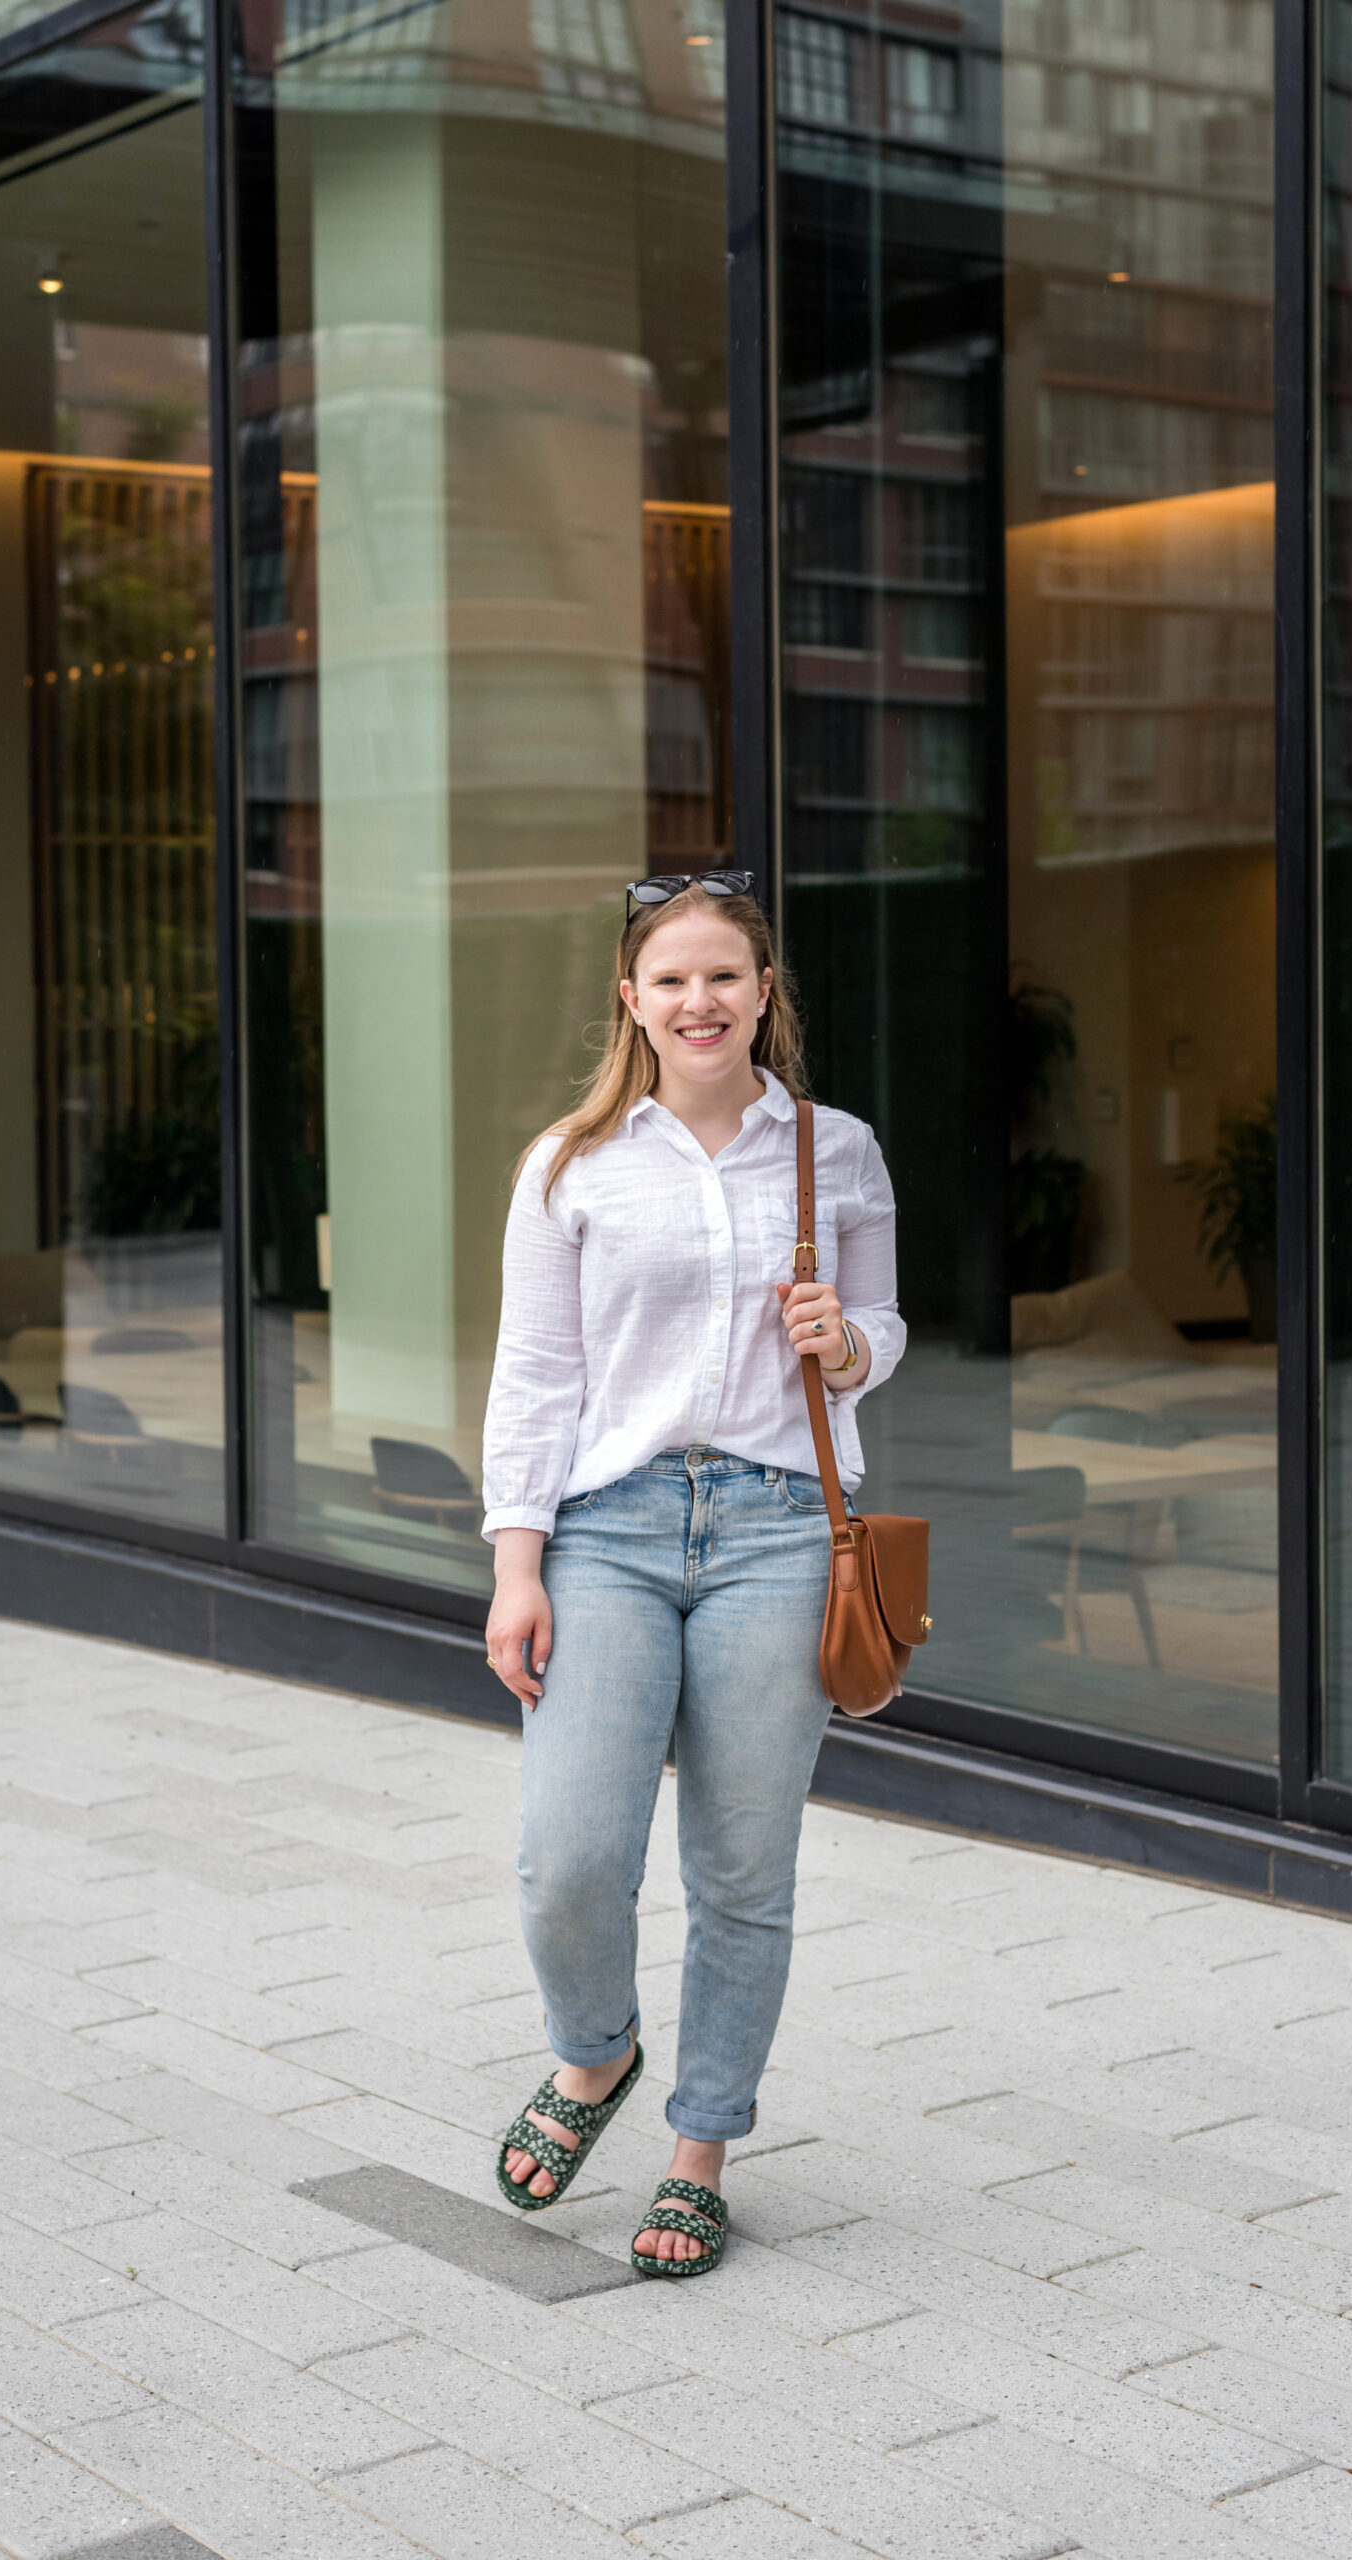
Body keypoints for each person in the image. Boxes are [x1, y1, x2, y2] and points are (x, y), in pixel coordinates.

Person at [481, 871, 903, 2276]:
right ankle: (594, 2058)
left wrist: (844, 1344)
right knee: (569, 1857)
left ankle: (701, 2147)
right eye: (670, 979)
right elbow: (535, 1378)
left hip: (781, 1530)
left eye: (724, 975)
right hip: (607, 1527)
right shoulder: (569, 1165)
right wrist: (516, 1564)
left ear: (763, 992)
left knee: (741, 1867)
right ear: (629, 998)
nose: (699, 1001)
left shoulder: (833, 1151)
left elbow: (882, 1332)